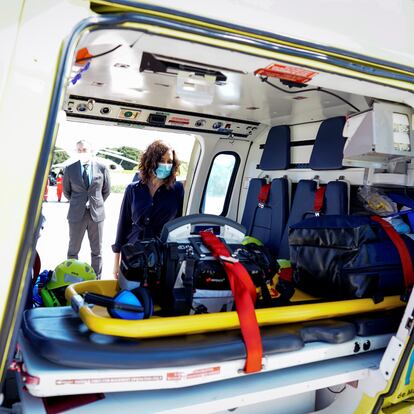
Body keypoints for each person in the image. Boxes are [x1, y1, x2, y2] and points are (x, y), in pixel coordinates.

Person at [112, 140, 184, 278]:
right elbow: (123, 226)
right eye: (162, 160)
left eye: (170, 161)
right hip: (133, 253)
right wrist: (116, 263)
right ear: (151, 161)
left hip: (162, 256)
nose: (166, 165)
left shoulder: (177, 189)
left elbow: (179, 225)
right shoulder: (132, 189)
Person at [63, 140, 111, 279]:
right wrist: (79, 203)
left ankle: (96, 279)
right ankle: (70, 279)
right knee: (73, 250)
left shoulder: (102, 168)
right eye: (79, 150)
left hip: (96, 215)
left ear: (91, 150)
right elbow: (67, 192)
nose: (82, 152)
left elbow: (106, 191)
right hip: (76, 215)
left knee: (97, 251)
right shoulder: (70, 169)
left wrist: (95, 203)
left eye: (84, 150)